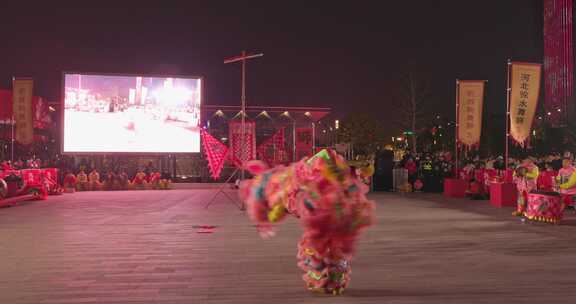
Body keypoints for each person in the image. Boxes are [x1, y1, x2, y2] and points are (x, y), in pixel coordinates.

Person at [239, 149, 373, 295]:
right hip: (319, 207)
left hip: (326, 210)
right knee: (322, 245)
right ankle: (326, 278)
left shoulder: (338, 182)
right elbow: (324, 156)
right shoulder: (295, 184)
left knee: (328, 245)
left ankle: (329, 278)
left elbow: (324, 155)